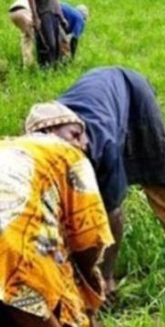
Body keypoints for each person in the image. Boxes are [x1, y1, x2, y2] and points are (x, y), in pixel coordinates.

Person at [26, 67, 165, 295]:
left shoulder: (99, 143)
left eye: (79, 134)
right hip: (104, 99)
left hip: (134, 92)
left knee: (158, 174)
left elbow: (112, 214)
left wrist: (106, 277)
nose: (82, 143)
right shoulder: (33, 155)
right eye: (73, 138)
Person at [1, 103, 114, 327]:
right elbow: (89, 239)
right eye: (75, 134)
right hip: (10, 246)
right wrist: (89, 285)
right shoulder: (65, 153)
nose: (84, 144)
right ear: (48, 132)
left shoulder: (11, 151)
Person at [8, 0, 88, 66]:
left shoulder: (69, 11)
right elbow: (74, 39)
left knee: (27, 37)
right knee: (44, 41)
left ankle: (28, 65)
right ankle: (48, 66)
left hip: (13, 12)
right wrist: (72, 57)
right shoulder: (80, 19)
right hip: (26, 11)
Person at [26, 0, 65, 68]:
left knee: (57, 45)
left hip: (53, 12)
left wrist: (60, 14)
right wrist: (35, 17)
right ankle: (45, 70)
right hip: (43, 13)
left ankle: (54, 70)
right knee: (48, 44)